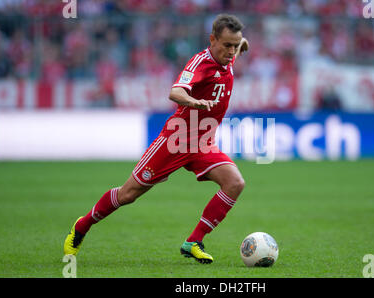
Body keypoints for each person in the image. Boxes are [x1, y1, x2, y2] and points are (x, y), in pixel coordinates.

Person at [64, 14, 249, 264]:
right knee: (128, 194)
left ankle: (194, 241)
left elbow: (239, 44)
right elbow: (175, 91)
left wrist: (242, 44)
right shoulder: (200, 63)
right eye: (227, 45)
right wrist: (195, 101)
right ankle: (82, 226)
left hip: (203, 143)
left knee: (235, 183)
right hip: (175, 140)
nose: (231, 51)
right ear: (212, 39)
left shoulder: (229, 53)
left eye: (235, 46)